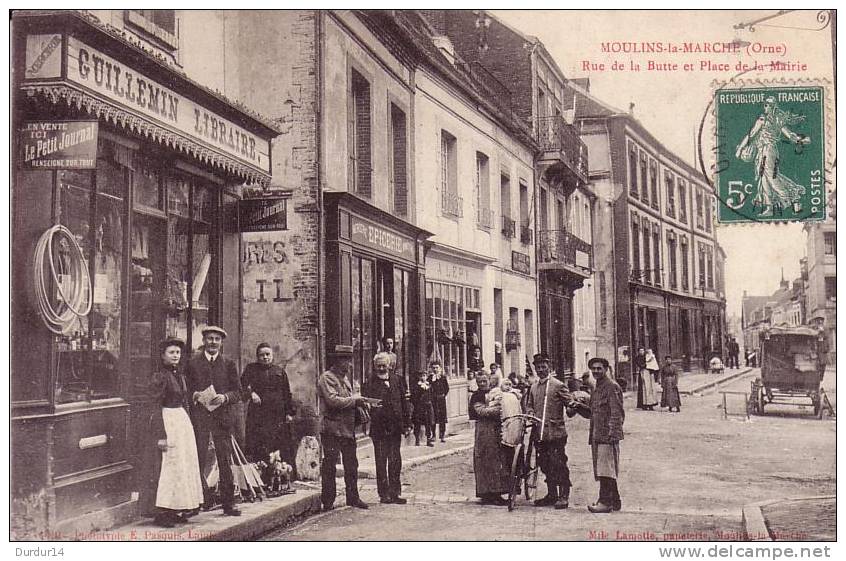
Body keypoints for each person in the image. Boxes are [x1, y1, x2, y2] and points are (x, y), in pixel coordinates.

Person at [186, 325, 243, 516]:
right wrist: (193, 394)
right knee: (198, 459)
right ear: (204, 341)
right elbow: (186, 388)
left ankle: (229, 503)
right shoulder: (193, 363)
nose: (213, 342)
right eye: (209, 338)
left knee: (224, 461)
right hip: (200, 418)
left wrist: (225, 398)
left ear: (221, 343)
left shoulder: (228, 364)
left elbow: (238, 392)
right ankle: (195, 503)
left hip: (222, 419)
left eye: (216, 339)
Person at [148, 338, 204, 527]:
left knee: (182, 465)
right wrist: (160, 435)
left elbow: (182, 397)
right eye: (171, 352)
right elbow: (154, 405)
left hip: (180, 421)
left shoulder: (178, 374)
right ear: (163, 355)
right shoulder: (160, 376)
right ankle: (163, 512)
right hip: (168, 420)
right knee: (169, 466)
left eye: (178, 353)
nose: (175, 356)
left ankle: (177, 508)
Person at [735, 96, 810, 217]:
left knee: (771, 177)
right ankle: (769, 208)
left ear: (772, 106)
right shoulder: (769, 119)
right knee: (764, 179)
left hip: (768, 150)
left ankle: (791, 199)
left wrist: (740, 148)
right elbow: (752, 135)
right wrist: (800, 140)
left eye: (767, 105)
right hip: (763, 151)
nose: (765, 107)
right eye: (764, 104)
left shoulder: (769, 120)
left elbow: (753, 134)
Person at [318, 344, 369, 511]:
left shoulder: (345, 379)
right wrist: (355, 401)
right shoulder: (327, 378)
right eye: (346, 361)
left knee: (351, 465)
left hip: (347, 429)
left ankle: (353, 498)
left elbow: (348, 398)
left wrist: (361, 403)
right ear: (338, 361)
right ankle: (328, 501)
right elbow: (332, 400)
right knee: (330, 465)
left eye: (349, 360)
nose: (349, 365)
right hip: (332, 429)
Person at [525, 352, 574, 509]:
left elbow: (570, 404)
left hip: (556, 433)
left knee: (559, 464)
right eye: (538, 367)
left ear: (549, 367)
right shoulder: (533, 387)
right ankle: (551, 494)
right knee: (545, 464)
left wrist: (573, 406)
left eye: (543, 367)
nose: (541, 370)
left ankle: (564, 495)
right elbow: (529, 406)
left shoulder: (558, 385)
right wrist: (531, 414)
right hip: (540, 434)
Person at [363, 352, 411, 504]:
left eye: (384, 365)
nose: (381, 368)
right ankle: (384, 494)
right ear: (375, 366)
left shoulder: (397, 380)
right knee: (381, 461)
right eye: (378, 366)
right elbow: (367, 405)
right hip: (379, 428)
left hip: (396, 426)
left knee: (395, 460)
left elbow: (404, 403)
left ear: (389, 365)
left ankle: (395, 492)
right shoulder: (370, 383)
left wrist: (407, 423)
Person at [241, 343, 294, 465]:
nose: (265, 357)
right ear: (257, 357)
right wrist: (251, 393)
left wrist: (289, 413)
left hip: (277, 415)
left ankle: (276, 476)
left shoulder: (280, 371)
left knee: (276, 445)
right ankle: (260, 475)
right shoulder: (251, 369)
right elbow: (241, 386)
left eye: (267, 354)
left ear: (272, 355)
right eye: (261, 355)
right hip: (257, 414)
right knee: (258, 443)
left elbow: (287, 393)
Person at [585, 357, 625, 514]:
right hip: (597, 434)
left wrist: (613, 434)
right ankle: (615, 500)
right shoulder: (597, 387)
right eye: (593, 368)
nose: (596, 371)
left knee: (605, 469)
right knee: (605, 468)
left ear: (606, 369)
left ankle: (605, 502)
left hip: (607, 435)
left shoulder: (611, 386)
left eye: (599, 368)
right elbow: (593, 412)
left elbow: (617, 412)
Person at [469, 373, 511, 506]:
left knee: (498, 460)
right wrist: (499, 408)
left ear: (489, 380)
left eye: (484, 381)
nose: (482, 384)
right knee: (486, 460)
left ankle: (497, 492)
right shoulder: (476, 396)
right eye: (479, 382)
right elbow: (481, 412)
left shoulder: (496, 392)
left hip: (497, 429)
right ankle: (487, 493)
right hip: (484, 431)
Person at [410, 370, 435, 446]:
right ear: (419, 377)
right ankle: (417, 439)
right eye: (421, 376)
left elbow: (432, 395)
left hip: (428, 406)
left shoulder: (429, 385)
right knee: (417, 423)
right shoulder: (416, 386)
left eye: (424, 376)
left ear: (426, 377)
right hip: (419, 407)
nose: (423, 377)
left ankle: (428, 440)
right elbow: (413, 397)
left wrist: (430, 402)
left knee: (428, 423)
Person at [429, 361, 450, 442]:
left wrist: (443, 395)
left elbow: (447, 388)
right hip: (433, 400)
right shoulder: (430, 378)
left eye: (437, 368)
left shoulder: (443, 378)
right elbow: (428, 387)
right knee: (433, 417)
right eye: (433, 368)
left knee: (442, 417)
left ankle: (442, 435)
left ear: (440, 368)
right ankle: (433, 435)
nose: (435, 369)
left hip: (441, 400)